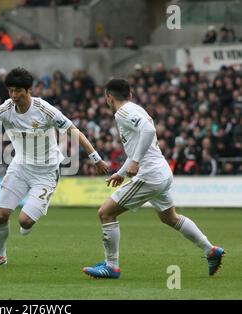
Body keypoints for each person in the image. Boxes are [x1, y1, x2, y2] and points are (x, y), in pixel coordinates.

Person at [0, 67, 109, 266]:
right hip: (20, 167)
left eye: (18, 91)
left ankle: (34, 213)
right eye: (10, 91)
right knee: (1, 214)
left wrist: (96, 158)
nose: (14, 95)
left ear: (29, 91)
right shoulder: (5, 109)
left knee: (25, 221)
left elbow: (74, 131)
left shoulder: (45, 110)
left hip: (46, 172)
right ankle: (0, 256)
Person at [82, 79, 225, 279]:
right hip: (161, 172)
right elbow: (138, 146)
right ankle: (210, 250)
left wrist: (136, 162)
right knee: (170, 217)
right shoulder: (137, 109)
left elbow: (148, 132)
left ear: (109, 97)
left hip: (149, 175)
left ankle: (111, 266)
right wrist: (122, 172)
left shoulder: (122, 112)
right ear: (130, 95)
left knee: (105, 213)